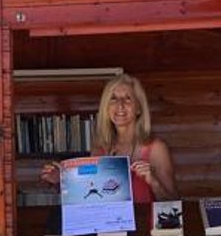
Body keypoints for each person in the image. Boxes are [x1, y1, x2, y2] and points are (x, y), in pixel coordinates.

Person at [40, 73, 177, 202]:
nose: (120, 105)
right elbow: (90, 194)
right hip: (108, 226)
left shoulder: (155, 148)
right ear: (106, 107)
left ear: (139, 108)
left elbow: (173, 201)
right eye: (113, 98)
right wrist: (61, 179)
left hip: (143, 226)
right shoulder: (100, 148)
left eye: (127, 98)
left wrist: (153, 181)